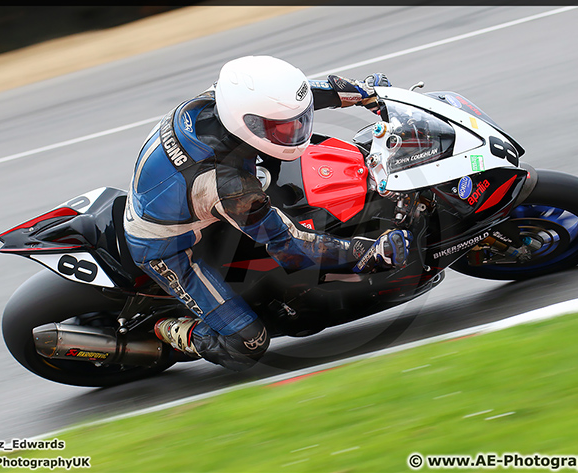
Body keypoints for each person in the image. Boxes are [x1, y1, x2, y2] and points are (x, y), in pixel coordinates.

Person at [124, 55, 412, 371]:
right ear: (246, 122)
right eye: (284, 128)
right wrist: (364, 251)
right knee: (248, 343)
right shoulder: (229, 184)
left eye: (297, 121)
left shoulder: (222, 100)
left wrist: (365, 92)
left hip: (179, 193)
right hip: (166, 248)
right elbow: (292, 249)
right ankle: (169, 329)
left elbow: (306, 94)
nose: (296, 130)